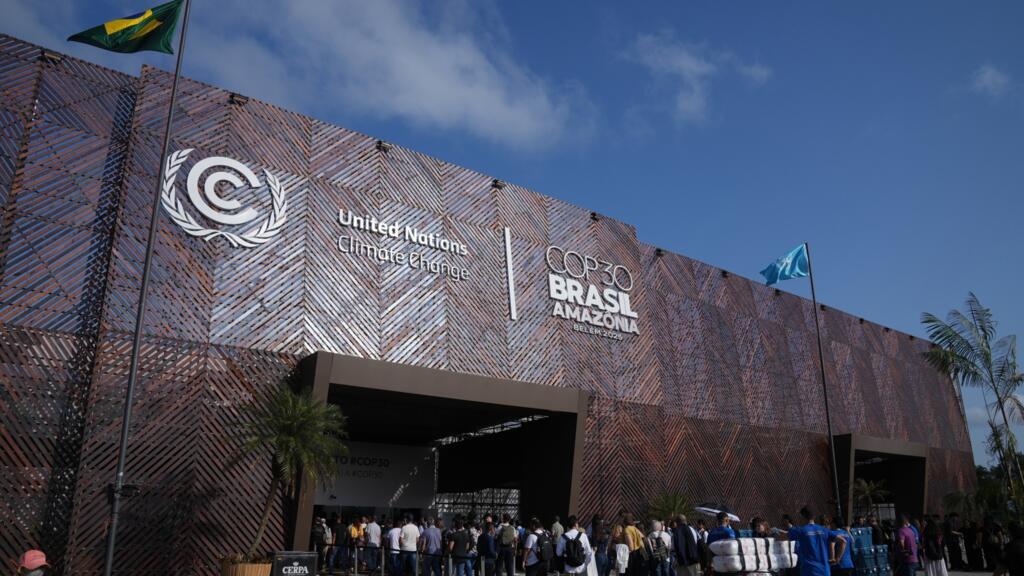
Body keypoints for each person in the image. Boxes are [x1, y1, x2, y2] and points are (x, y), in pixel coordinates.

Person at [779, 506, 831, 576]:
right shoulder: (824, 530)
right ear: (814, 516)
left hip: (810, 570)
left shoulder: (802, 531)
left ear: (803, 517)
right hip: (825, 570)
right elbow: (842, 540)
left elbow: (784, 536)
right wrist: (837, 558)